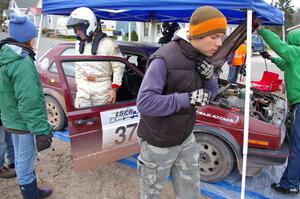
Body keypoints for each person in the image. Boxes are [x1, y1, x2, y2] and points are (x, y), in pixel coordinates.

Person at [136, 6, 227, 198]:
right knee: (151, 193)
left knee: (190, 191)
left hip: (186, 137)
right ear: (198, 34)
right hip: (157, 143)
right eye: (214, 37)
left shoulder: (202, 57)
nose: (219, 43)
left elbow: (209, 96)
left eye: (222, 37)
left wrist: (210, 77)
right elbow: (144, 102)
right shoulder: (164, 58)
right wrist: (187, 99)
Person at [0, 14, 53, 199]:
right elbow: (29, 102)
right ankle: (30, 195)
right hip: (23, 124)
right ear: (26, 38)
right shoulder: (22, 63)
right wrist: (41, 130)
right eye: (33, 36)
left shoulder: (6, 54)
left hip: (11, 118)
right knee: (25, 162)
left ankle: (34, 191)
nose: (34, 39)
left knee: (24, 159)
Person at [257, 25, 300, 194]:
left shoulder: (295, 52)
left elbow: (279, 46)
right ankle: (295, 175)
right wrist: (270, 58)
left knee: (297, 146)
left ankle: (289, 184)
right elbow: (285, 65)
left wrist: (260, 29)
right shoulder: (294, 58)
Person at [66, 7, 125, 108]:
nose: (77, 32)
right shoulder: (79, 44)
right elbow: (78, 66)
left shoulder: (108, 43)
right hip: (84, 86)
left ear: (89, 25)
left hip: (102, 87)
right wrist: (78, 83)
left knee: (102, 120)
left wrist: (114, 89)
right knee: (81, 118)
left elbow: (119, 66)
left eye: (79, 28)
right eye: (75, 29)